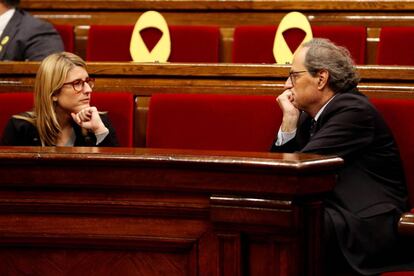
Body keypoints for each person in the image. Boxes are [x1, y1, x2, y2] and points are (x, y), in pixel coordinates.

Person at [271, 38, 411, 275]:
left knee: (292, 224)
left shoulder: (353, 110)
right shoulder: (309, 115)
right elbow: (276, 174)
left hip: (367, 223)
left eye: (294, 76)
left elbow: (300, 170)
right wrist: (289, 122)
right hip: (332, 211)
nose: (287, 85)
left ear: (322, 78)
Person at [0, 51, 118, 146]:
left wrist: (99, 131)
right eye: (77, 83)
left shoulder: (99, 122)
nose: (88, 90)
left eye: (87, 81)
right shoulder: (20, 128)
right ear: (54, 93)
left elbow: (116, 174)